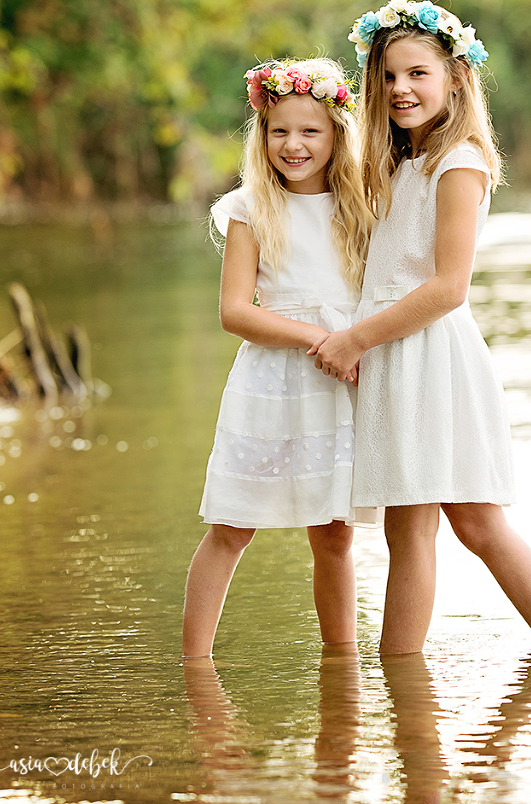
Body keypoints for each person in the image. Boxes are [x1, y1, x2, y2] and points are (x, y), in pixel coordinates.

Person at [310, 0, 531, 654]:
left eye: (417, 73)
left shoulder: (458, 161)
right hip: (396, 354)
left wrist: (355, 339)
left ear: (456, 78)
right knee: (411, 530)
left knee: (476, 523)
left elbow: (447, 287)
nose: (399, 88)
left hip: (430, 355)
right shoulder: (401, 163)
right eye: (387, 76)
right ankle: (404, 679)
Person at [183, 57, 376, 659]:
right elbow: (235, 312)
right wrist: (316, 338)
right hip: (272, 382)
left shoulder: (362, 206)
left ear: (336, 134)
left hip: (340, 383)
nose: (293, 145)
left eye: (310, 131)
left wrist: (350, 344)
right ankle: (194, 666)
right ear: (261, 136)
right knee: (231, 526)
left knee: (335, 537)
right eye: (279, 131)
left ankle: (341, 670)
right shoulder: (250, 208)